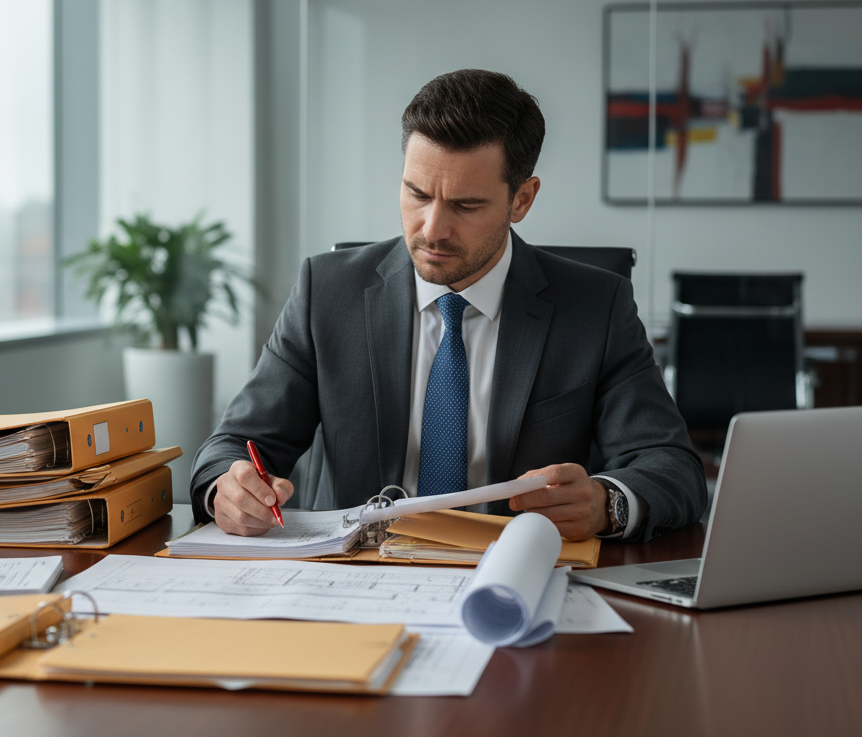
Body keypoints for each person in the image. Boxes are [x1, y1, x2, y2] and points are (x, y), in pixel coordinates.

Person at [191, 69, 706, 542]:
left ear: (522, 200)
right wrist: (228, 489)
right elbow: (234, 445)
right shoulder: (326, 294)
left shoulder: (596, 306)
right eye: (417, 194)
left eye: (465, 205)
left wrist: (606, 502)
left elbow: (671, 467)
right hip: (353, 579)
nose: (432, 228)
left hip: (512, 579)